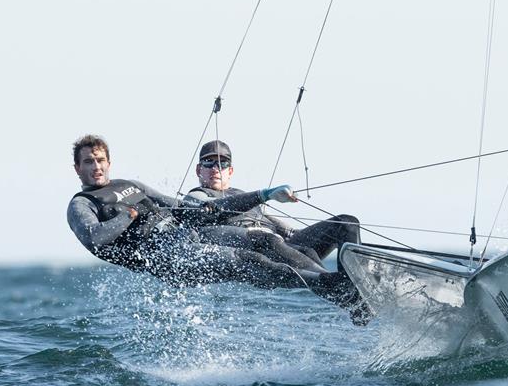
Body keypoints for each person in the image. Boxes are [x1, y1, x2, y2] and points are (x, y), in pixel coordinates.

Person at [66, 134, 371, 324]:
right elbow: (94, 239)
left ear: (109, 162)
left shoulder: (131, 185)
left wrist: (208, 209)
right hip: (169, 261)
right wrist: (127, 216)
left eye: (101, 160)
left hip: (187, 243)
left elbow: (182, 209)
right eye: (89, 162)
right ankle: (337, 288)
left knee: (288, 249)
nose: (97, 167)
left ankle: (349, 285)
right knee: (256, 258)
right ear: (77, 168)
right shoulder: (81, 204)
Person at [185, 140, 361, 270]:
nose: (215, 168)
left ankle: (358, 283)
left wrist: (321, 236)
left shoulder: (242, 195)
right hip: (258, 254)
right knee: (272, 242)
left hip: (283, 248)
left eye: (222, 163)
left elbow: (287, 231)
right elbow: (210, 210)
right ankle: (332, 285)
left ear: (230, 171)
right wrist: (265, 195)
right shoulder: (196, 196)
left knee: (346, 224)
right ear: (199, 170)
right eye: (209, 162)